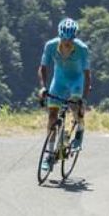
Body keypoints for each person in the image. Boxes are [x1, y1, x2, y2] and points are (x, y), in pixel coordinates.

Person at [38, 18, 91, 173]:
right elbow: (43, 67)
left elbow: (88, 75)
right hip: (59, 81)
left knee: (75, 105)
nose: (67, 43)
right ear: (59, 37)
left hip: (77, 80)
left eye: (70, 40)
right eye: (64, 40)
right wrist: (42, 88)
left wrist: (83, 99)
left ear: (74, 38)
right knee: (52, 115)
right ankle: (49, 153)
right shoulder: (50, 46)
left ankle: (80, 130)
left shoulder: (82, 49)